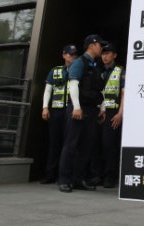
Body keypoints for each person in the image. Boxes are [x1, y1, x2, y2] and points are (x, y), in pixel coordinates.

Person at [57, 34, 107, 193]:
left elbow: (100, 89)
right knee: (71, 145)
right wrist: (77, 107)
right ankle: (64, 180)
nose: (101, 48)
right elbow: (73, 85)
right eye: (100, 45)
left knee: (86, 146)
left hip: (92, 110)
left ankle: (77, 179)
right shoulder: (79, 62)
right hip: (78, 108)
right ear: (91, 45)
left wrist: (102, 107)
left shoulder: (96, 65)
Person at [40, 44, 78, 184]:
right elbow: (48, 90)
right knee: (54, 143)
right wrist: (45, 107)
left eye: (74, 54)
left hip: (71, 110)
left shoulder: (78, 70)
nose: (73, 57)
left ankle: (66, 175)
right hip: (56, 111)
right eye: (70, 54)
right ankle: (50, 174)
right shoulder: (55, 70)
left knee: (69, 143)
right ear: (63, 55)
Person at [97, 42, 126, 189]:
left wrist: (120, 113)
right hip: (101, 112)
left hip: (114, 113)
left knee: (110, 145)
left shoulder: (120, 71)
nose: (105, 56)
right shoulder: (101, 72)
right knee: (99, 144)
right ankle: (99, 175)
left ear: (114, 55)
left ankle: (110, 176)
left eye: (108, 53)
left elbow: (124, 94)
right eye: (103, 53)